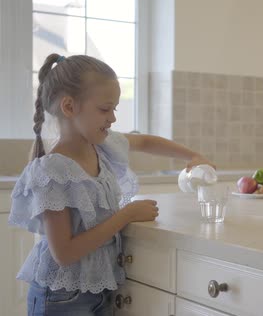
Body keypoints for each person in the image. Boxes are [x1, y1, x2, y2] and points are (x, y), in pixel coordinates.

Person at [8, 53, 214, 316]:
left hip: (97, 292)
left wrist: (193, 156)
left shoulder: (102, 147)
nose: (113, 118)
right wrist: (125, 215)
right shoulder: (52, 171)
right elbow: (65, 253)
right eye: (105, 109)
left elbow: (146, 142)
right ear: (69, 107)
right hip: (60, 300)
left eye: (114, 108)